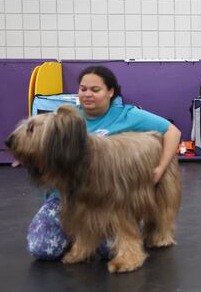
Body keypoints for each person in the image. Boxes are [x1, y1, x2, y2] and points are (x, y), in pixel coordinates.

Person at [27, 65, 182, 259]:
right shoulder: (65, 119)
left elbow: (172, 132)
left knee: (109, 250)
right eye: (83, 89)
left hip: (109, 199)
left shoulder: (127, 115)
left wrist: (160, 168)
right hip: (66, 199)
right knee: (41, 248)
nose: (87, 94)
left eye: (95, 90)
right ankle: (77, 234)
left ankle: (112, 229)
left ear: (111, 92)